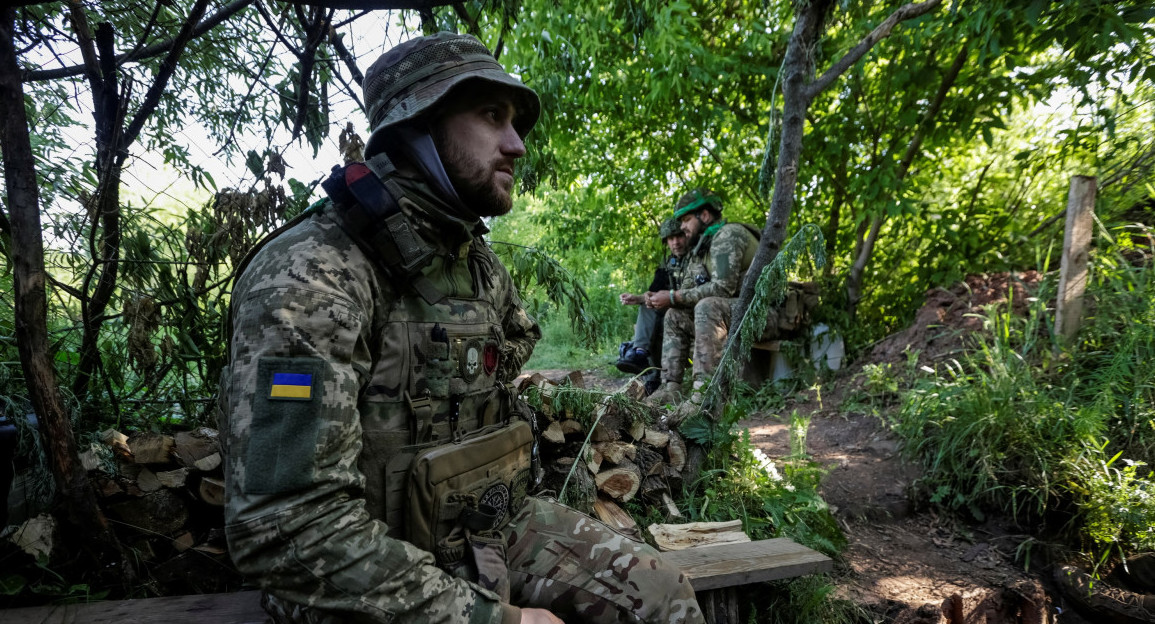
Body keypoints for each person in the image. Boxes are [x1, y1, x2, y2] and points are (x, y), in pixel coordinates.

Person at [221, 32, 702, 624]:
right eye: (491, 116)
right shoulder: (313, 274)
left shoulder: (473, 263)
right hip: (363, 567)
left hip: (483, 528)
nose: (517, 145)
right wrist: (494, 619)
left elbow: (505, 354)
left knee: (663, 596)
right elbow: (287, 527)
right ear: (416, 126)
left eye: (515, 123)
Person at [644, 189, 759, 410]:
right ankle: (671, 388)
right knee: (674, 314)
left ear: (704, 216)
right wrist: (666, 299)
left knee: (707, 306)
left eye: (686, 220)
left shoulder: (728, 235)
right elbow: (688, 287)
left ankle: (704, 392)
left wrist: (672, 296)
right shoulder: (702, 247)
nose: (683, 227)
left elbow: (723, 288)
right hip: (735, 312)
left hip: (763, 313)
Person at [615, 218, 689, 394]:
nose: (675, 242)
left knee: (662, 319)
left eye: (679, 236)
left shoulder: (696, 258)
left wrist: (668, 298)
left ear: (686, 235)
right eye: (670, 239)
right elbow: (654, 293)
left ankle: (645, 363)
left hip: (694, 310)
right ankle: (642, 357)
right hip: (675, 309)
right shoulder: (669, 263)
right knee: (649, 306)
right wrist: (640, 298)